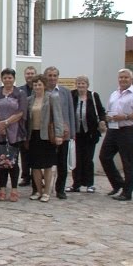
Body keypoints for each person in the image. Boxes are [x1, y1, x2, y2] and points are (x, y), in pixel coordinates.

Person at [100, 68, 133, 201]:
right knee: (104, 156)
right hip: (113, 129)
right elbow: (109, 110)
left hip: (128, 130)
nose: (123, 80)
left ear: (131, 79)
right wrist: (107, 119)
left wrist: (125, 117)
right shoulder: (114, 94)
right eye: (121, 77)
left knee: (127, 161)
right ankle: (118, 184)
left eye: (126, 77)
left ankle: (127, 192)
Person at [0, 68, 27, 202]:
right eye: (5, 77)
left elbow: (21, 112)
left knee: (13, 161)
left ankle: (14, 189)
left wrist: (6, 123)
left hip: (14, 132)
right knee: (1, 160)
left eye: (10, 77)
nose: (7, 80)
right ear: (2, 79)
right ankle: (2, 188)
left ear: (14, 79)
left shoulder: (19, 93)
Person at [26, 75, 64, 202]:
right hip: (33, 135)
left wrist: (59, 134)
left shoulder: (52, 98)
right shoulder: (30, 100)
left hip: (47, 135)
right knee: (35, 166)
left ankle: (47, 192)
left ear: (44, 85)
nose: (37, 87)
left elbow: (58, 117)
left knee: (47, 165)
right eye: (35, 84)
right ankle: (38, 190)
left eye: (39, 84)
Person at [68, 75, 107, 193]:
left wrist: (102, 120)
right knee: (76, 159)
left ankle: (89, 184)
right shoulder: (72, 95)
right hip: (76, 133)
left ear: (87, 85)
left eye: (83, 83)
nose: (81, 85)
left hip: (90, 133)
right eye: (79, 83)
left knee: (88, 159)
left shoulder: (94, 96)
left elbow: (101, 111)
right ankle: (76, 184)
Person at [44, 66, 76, 200]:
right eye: (49, 75)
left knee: (62, 163)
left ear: (58, 77)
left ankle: (60, 189)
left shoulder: (65, 92)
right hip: (46, 132)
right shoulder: (42, 91)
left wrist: (72, 132)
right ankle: (45, 188)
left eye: (54, 75)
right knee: (46, 162)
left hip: (63, 132)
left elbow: (70, 112)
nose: (52, 78)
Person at [18, 65, 37, 187]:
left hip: (36, 125)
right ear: (24, 75)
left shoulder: (40, 88)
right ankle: (26, 176)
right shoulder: (20, 90)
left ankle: (37, 176)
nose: (29, 75)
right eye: (27, 73)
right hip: (23, 125)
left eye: (32, 73)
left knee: (36, 152)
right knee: (24, 152)